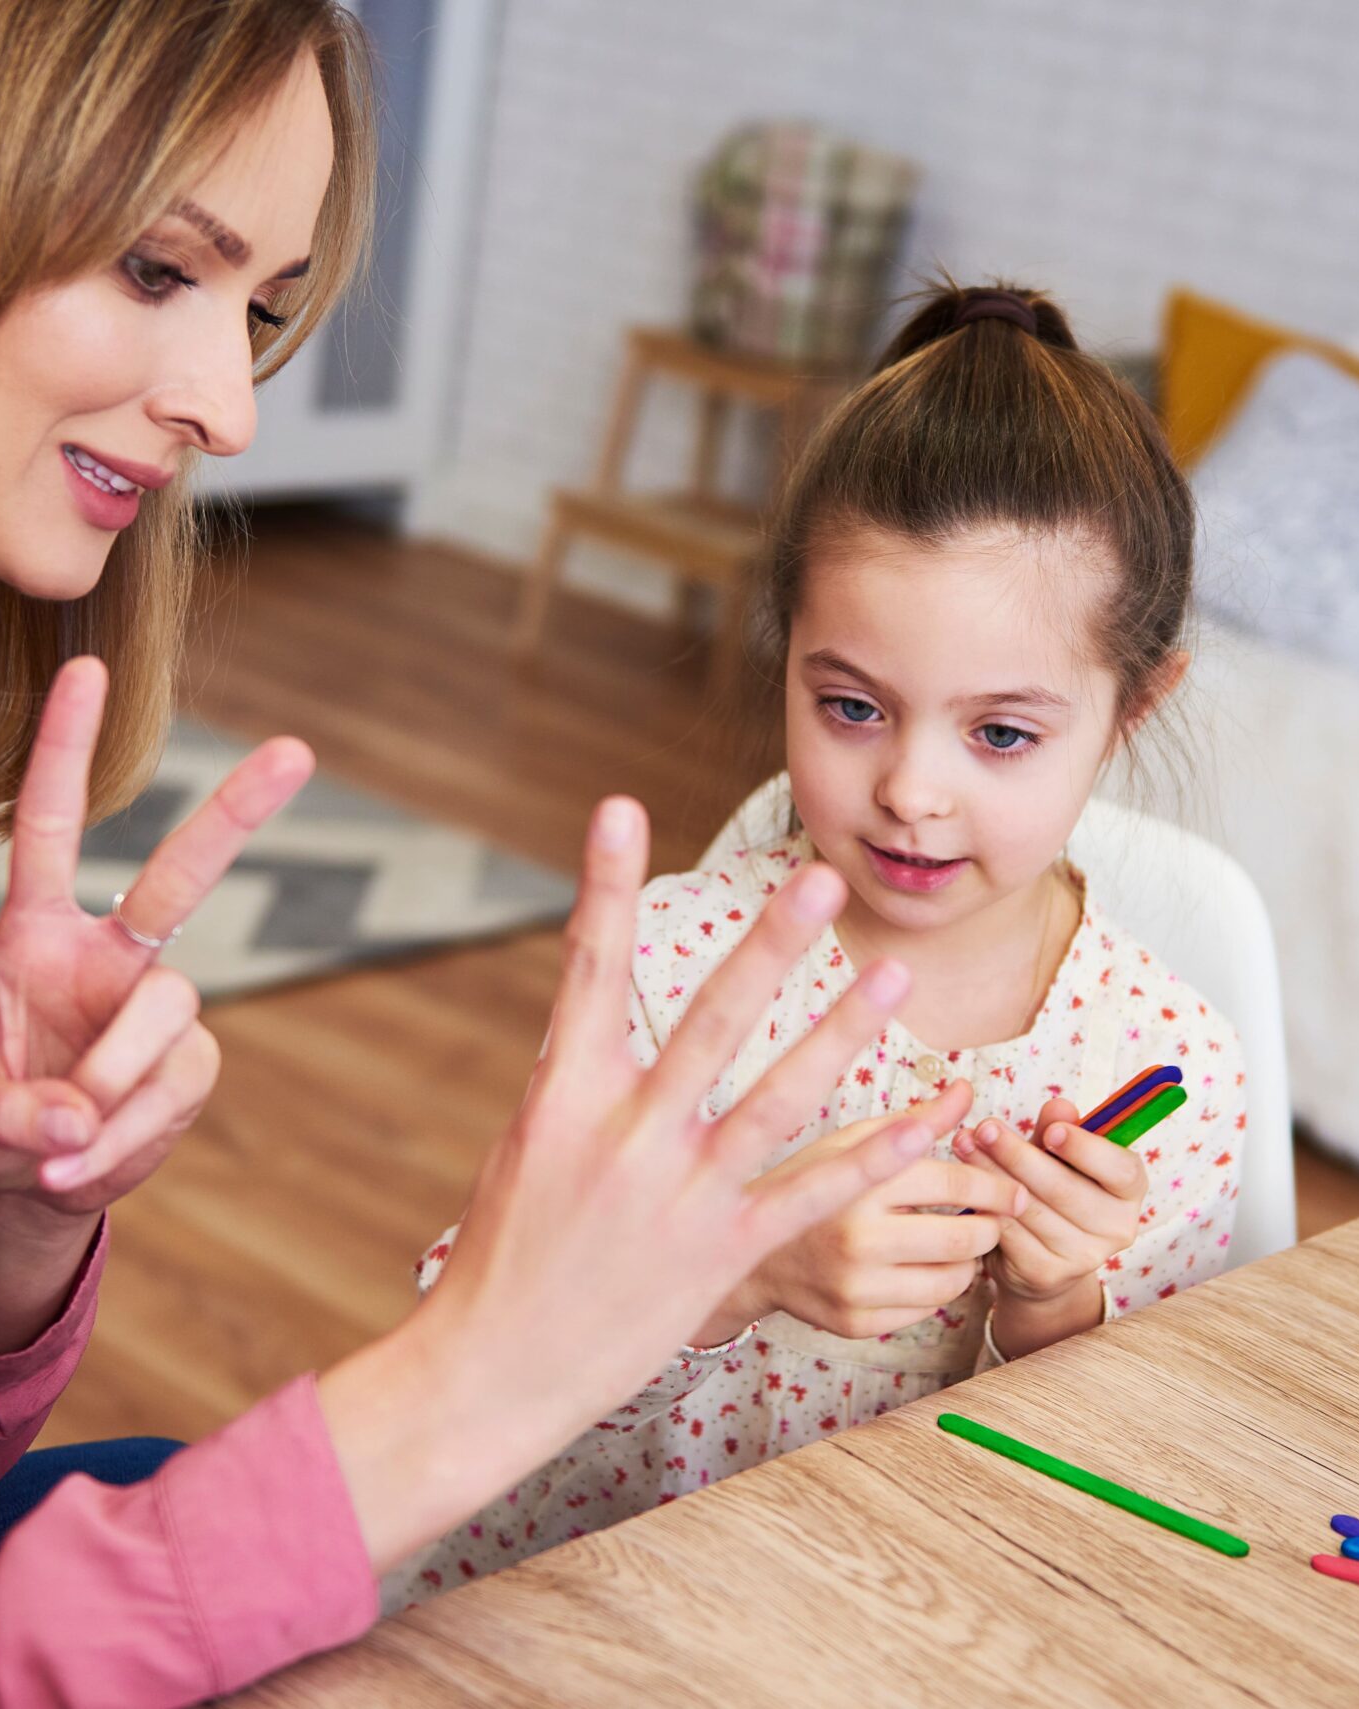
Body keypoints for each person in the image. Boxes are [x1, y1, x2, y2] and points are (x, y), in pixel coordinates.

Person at [0, 2, 958, 1702]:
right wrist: (466, 1388)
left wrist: (3, 1225)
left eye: (261, 308)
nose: (229, 405)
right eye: (160, 268)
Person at [389, 281, 1248, 1607]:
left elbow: (1102, 1509)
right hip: (578, 1605)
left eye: (1001, 735)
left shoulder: (1170, 1065)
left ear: (1133, 708)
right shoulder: (682, 968)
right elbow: (462, 1333)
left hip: (903, 1624)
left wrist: (1051, 1313)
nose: (911, 787)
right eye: (851, 705)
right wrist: (752, 1264)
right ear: (787, 650)